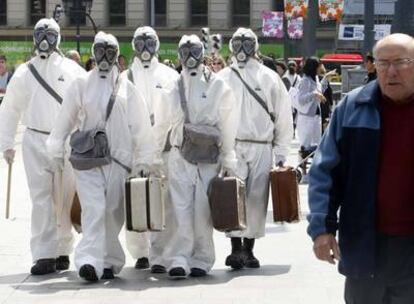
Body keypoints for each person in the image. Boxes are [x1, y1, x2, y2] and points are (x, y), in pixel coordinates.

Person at [307, 33, 414, 304]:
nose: (391, 71)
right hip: (366, 242)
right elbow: (325, 171)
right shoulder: (353, 107)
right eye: (382, 63)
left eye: (400, 62)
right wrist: (322, 228)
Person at [46, 31, 157, 282]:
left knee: (113, 212)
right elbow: (65, 119)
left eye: (109, 52)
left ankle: (109, 260)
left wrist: (144, 161)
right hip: (88, 160)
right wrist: (54, 148)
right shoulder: (81, 84)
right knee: (94, 209)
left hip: (120, 161)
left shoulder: (128, 88)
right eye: (100, 51)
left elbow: (141, 127)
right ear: (94, 53)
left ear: (117, 55)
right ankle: (89, 260)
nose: (104, 57)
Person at [0, 18, 86, 275]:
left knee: (64, 197)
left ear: (58, 37)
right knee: (41, 199)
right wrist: (6, 144)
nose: (44, 39)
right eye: (40, 34)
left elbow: (85, 104)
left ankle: (63, 249)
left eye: (49, 34)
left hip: (66, 141)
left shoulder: (73, 70)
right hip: (35, 140)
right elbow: (10, 108)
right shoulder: (25, 72)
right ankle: (44, 254)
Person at [156, 34, 238, 278]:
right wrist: (150, 157)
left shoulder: (218, 85)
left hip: (208, 159)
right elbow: (160, 124)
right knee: (180, 209)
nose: (190, 58)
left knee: (203, 210)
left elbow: (228, 124)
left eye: (194, 52)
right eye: (185, 52)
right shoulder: (172, 86)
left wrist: (228, 156)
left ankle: (202, 257)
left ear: (202, 54)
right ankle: (179, 257)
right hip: (180, 155)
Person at [219, 28, 293, 270]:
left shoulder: (269, 77)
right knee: (232, 197)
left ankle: (248, 249)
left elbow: (283, 117)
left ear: (255, 46)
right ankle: (235, 248)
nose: (242, 50)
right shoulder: (222, 77)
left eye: (246, 44)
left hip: (261, 146)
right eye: (237, 44)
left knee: (256, 199)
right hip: (233, 145)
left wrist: (282, 153)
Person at [122, 26, 179, 274]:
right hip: (135, 149)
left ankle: (160, 254)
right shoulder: (124, 77)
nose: (145, 49)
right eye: (140, 43)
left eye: (149, 43)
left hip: (164, 147)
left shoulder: (169, 75)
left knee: (164, 202)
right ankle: (140, 252)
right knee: (134, 199)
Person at [295, 57, 326, 166]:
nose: (320, 68)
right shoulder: (305, 81)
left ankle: (313, 168)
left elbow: (320, 90)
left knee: (316, 145)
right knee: (305, 145)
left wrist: (326, 79)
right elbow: (301, 99)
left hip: (316, 116)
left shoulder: (316, 79)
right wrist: (314, 94)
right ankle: (302, 171)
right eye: (318, 66)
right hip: (306, 117)